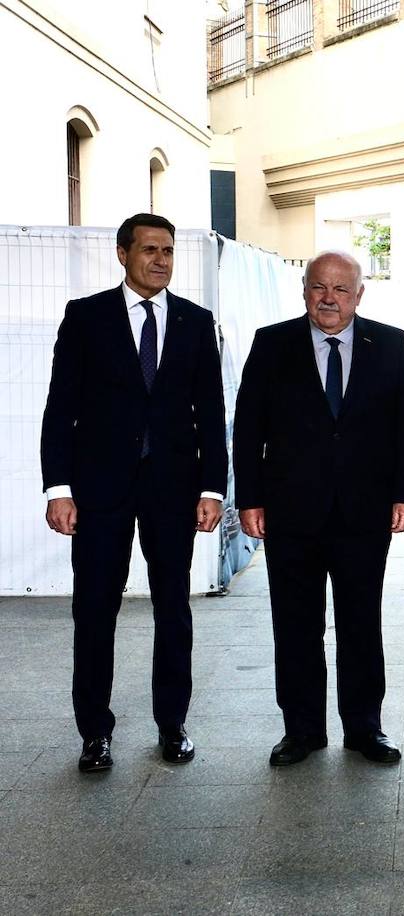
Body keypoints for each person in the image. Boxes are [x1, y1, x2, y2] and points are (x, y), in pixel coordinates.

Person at [40, 213, 227, 773]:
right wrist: (59, 488)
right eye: (149, 250)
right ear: (122, 254)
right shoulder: (86, 318)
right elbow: (60, 410)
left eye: (168, 251)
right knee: (95, 611)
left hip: (173, 490)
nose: (160, 261)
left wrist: (214, 487)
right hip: (98, 492)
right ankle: (94, 733)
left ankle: (173, 725)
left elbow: (211, 414)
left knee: (174, 609)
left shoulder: (196, 322)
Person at [234, 250, 404, 767]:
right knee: (295, 623)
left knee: (362, 622)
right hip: (291, 512)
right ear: (304, 291)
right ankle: (302, 729)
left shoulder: (389, 343)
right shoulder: (272, 344)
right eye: (320, 287)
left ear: (359, 294)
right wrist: (249, 498)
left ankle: (365, 728)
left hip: (365, 512)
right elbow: (248, 428)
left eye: (341, 289)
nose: (329, 298)